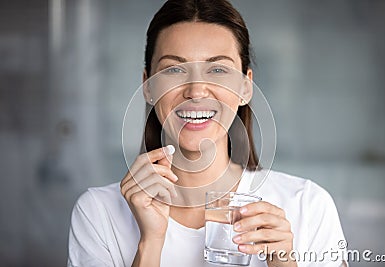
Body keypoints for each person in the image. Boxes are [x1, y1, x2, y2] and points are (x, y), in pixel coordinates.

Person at [67, 0, 347, 266]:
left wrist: (285, 264)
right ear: (148, 86)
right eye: (174, 69)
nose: (196, 90)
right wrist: (150, 243)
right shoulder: (97, 213)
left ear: (245, 88)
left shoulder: (307, 205)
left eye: (217, 69)